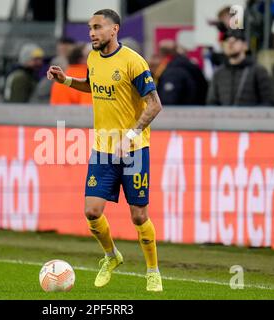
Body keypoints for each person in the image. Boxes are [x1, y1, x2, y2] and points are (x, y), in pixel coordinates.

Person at [47, 9, 163, 292]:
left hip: (134, 149)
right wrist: (65, 81)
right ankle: (111, 257)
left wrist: (132, 134)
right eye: (90, 28)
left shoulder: (133, 62)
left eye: (98, 27)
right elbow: (93, 85)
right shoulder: (93, 57)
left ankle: (152, 270)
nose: (92, 33)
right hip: (103, 149)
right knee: (91, 211)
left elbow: (154, 104)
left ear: (114, 30)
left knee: (138, 215)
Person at [207, 29, 274, 106]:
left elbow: (268, 102)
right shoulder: (218, 73)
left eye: (235, 41)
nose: (230, 44)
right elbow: (212, 102)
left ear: (245, 46)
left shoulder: (258, 71)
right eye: (227, 41)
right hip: (224, 117)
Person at [156, 40, 208, 105]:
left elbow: (168, 101)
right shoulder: (189, 66)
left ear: (162, 54)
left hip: (179, 112)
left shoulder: (173, 72)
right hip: (196, 109)